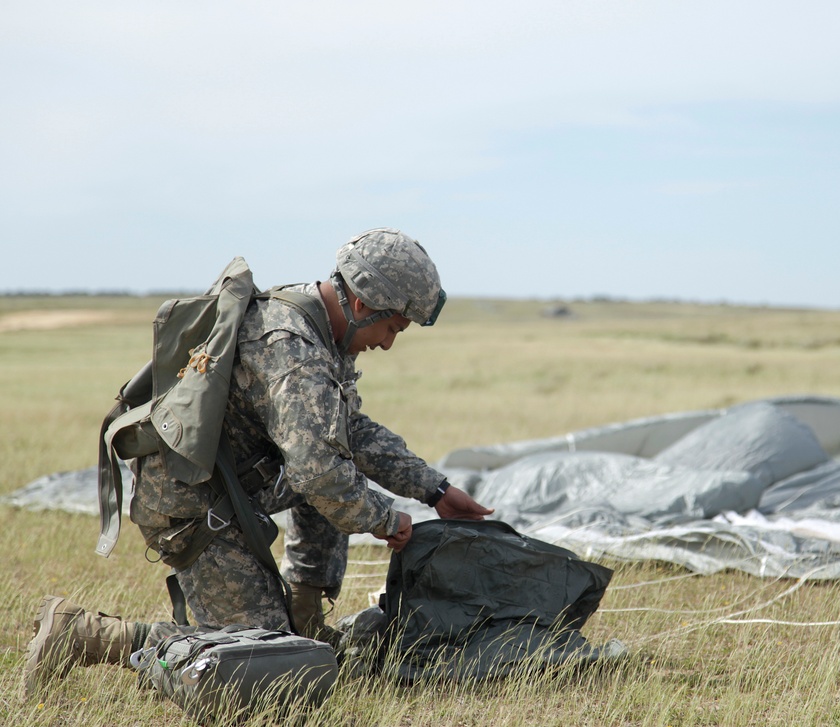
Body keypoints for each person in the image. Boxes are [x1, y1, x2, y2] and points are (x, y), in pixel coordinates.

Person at [24, 227, 493, 698]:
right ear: (363, 306)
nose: (388, 343)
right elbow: (317, 472)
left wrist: (435, 490)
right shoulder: (292, 347)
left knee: (332, 478)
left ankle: (306, 620)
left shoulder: (321, 327)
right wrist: (384, 518)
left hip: (240, 489)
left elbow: (346, 434)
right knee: (273, 668)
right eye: (392, 328)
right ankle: (84, 635)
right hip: (193, 511)